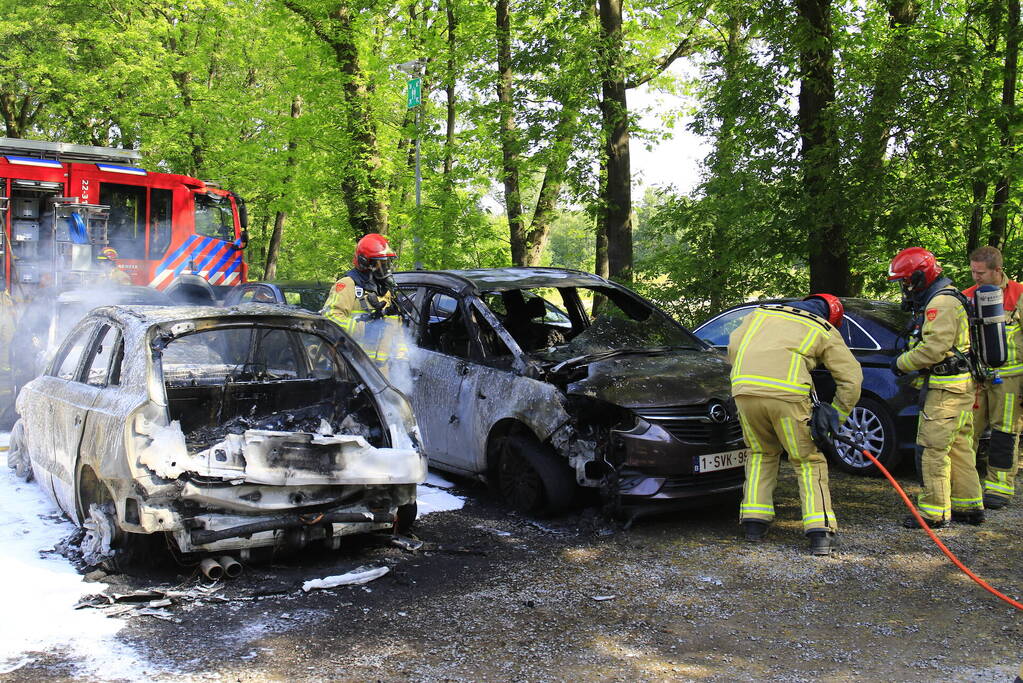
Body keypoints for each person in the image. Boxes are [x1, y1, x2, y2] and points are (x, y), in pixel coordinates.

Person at [728, 294, 862, 556]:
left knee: (760, 454)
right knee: (808, 460)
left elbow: (733, 347)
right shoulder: (822, 327)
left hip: (744, 393)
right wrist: (836, 415)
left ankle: (754, 523)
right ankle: (820, 532)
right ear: (831, 316)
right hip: (788, 399)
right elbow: (852, 378)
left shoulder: (760, 315)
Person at [889, 247, 984, 527]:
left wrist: (902, 363)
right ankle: (969, 506)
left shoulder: (940, 304)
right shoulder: (947, 297)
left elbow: (933, 349)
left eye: (906, 280)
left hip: (946, 390)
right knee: (959, 447)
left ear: (920, 276)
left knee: (932, 449)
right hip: (959, 386)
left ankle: (934, 512)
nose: (905, 287)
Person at [963, 246, 1023, 509]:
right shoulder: (967, 297)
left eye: (981, 272)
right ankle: (965, 486)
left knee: (1004, 433)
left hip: (1010, 379)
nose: (976, 278)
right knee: (966, 432)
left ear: (997, 270)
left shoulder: (1019, 295)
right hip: (976, 378)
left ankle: (999, 487)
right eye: (973, 272)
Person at [321, 233, 407, 368]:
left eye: (388, 262)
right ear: (366, 263)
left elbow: (396, 328)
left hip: (383, 373)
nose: (387, 268)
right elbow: (329, 318)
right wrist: (363, 329)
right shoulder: (348, 284)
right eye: (382, 263)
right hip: (354, 369)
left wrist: (403, 359)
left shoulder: (385, 290)